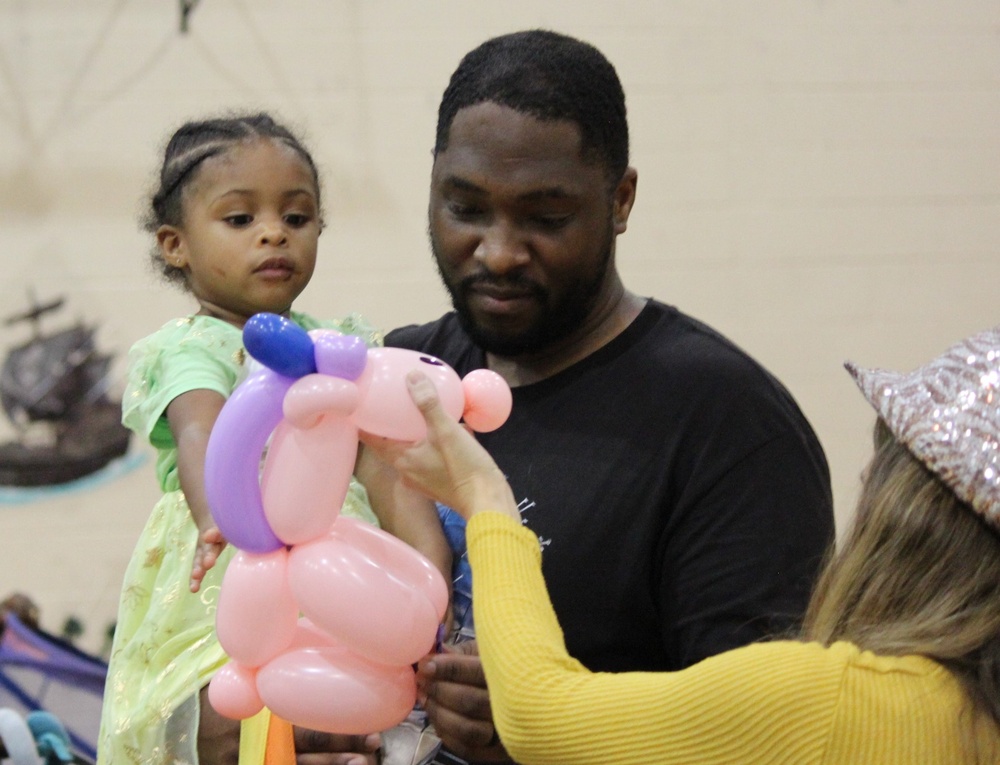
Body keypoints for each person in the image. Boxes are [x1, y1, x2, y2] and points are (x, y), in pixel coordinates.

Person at [375, 29, 835, 762]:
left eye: (545, 218)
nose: (498, 250)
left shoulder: (730, 425)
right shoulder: (403, 375)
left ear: (619, 200)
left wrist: (555, 723)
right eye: (465, 208)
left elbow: (766, 738)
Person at [367, 324, 1000, 764]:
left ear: (911, 507)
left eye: (883, 460)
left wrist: (484, 497)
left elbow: (540, 715)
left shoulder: (838, 699)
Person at [96, 112, 435, 765]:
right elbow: (201, 429)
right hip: (235, 561)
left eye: (297, 217)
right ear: (176, 245)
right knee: (245, 709)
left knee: (342, 706)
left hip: (333, 556)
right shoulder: (192, 347)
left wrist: (426, 567)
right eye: (239, 219)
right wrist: (220, 516)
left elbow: (387, 468)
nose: (274, 232)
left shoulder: (338, 345)